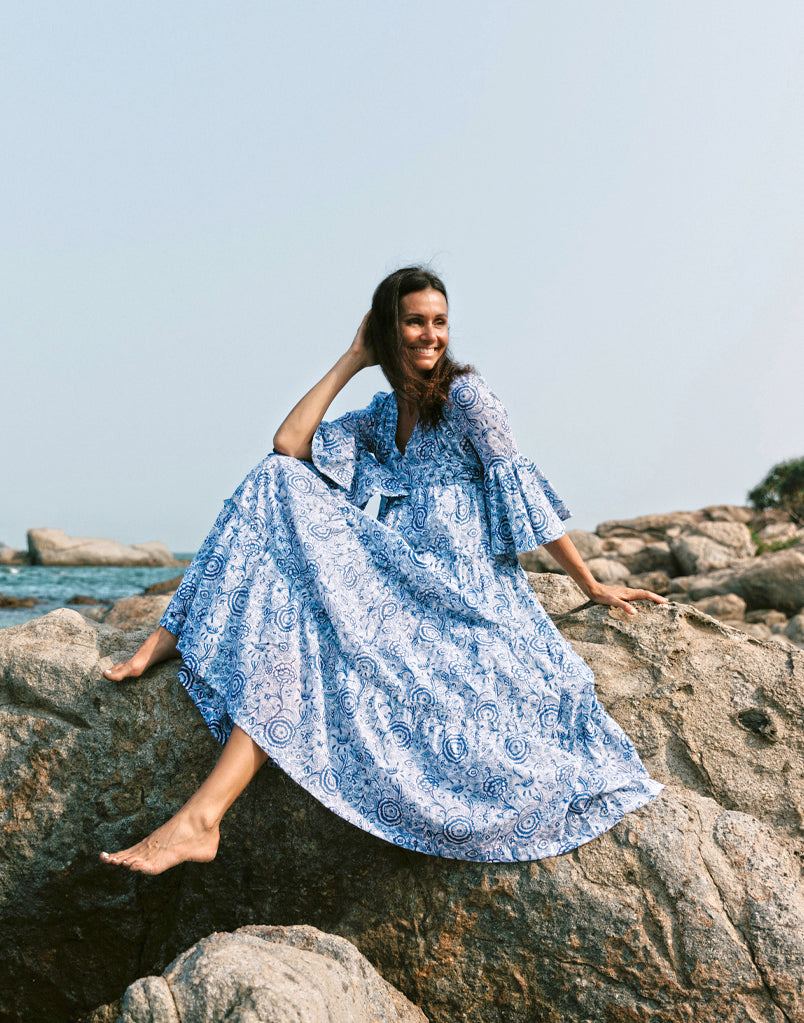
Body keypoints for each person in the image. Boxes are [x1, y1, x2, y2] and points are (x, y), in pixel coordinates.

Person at [101, 266, 665, 875]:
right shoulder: (382, 412)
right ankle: (197, 802)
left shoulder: (466, 399)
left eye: (439, 322)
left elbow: (518, 488)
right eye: (414, 322)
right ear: (386, 330)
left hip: (458, 592)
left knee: (308, 612)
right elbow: (289, 444)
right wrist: (352, 359)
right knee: (274, 481)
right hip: (398, 577)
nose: (431, 335)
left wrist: (589, 583)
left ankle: (194, 783)